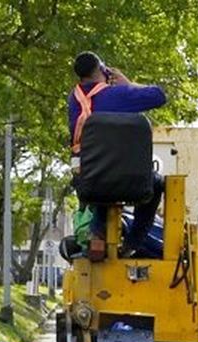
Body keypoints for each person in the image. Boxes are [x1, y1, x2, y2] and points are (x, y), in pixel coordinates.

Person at [68, 51, 166, 258]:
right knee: (156, 184)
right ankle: (133, 243)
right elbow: (159, 96)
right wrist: (128, 85)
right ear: (103, 70)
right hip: (131, 182)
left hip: (89, 181)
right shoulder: (119, 95)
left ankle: (97, 234)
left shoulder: (74, 100)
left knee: (104, 184)